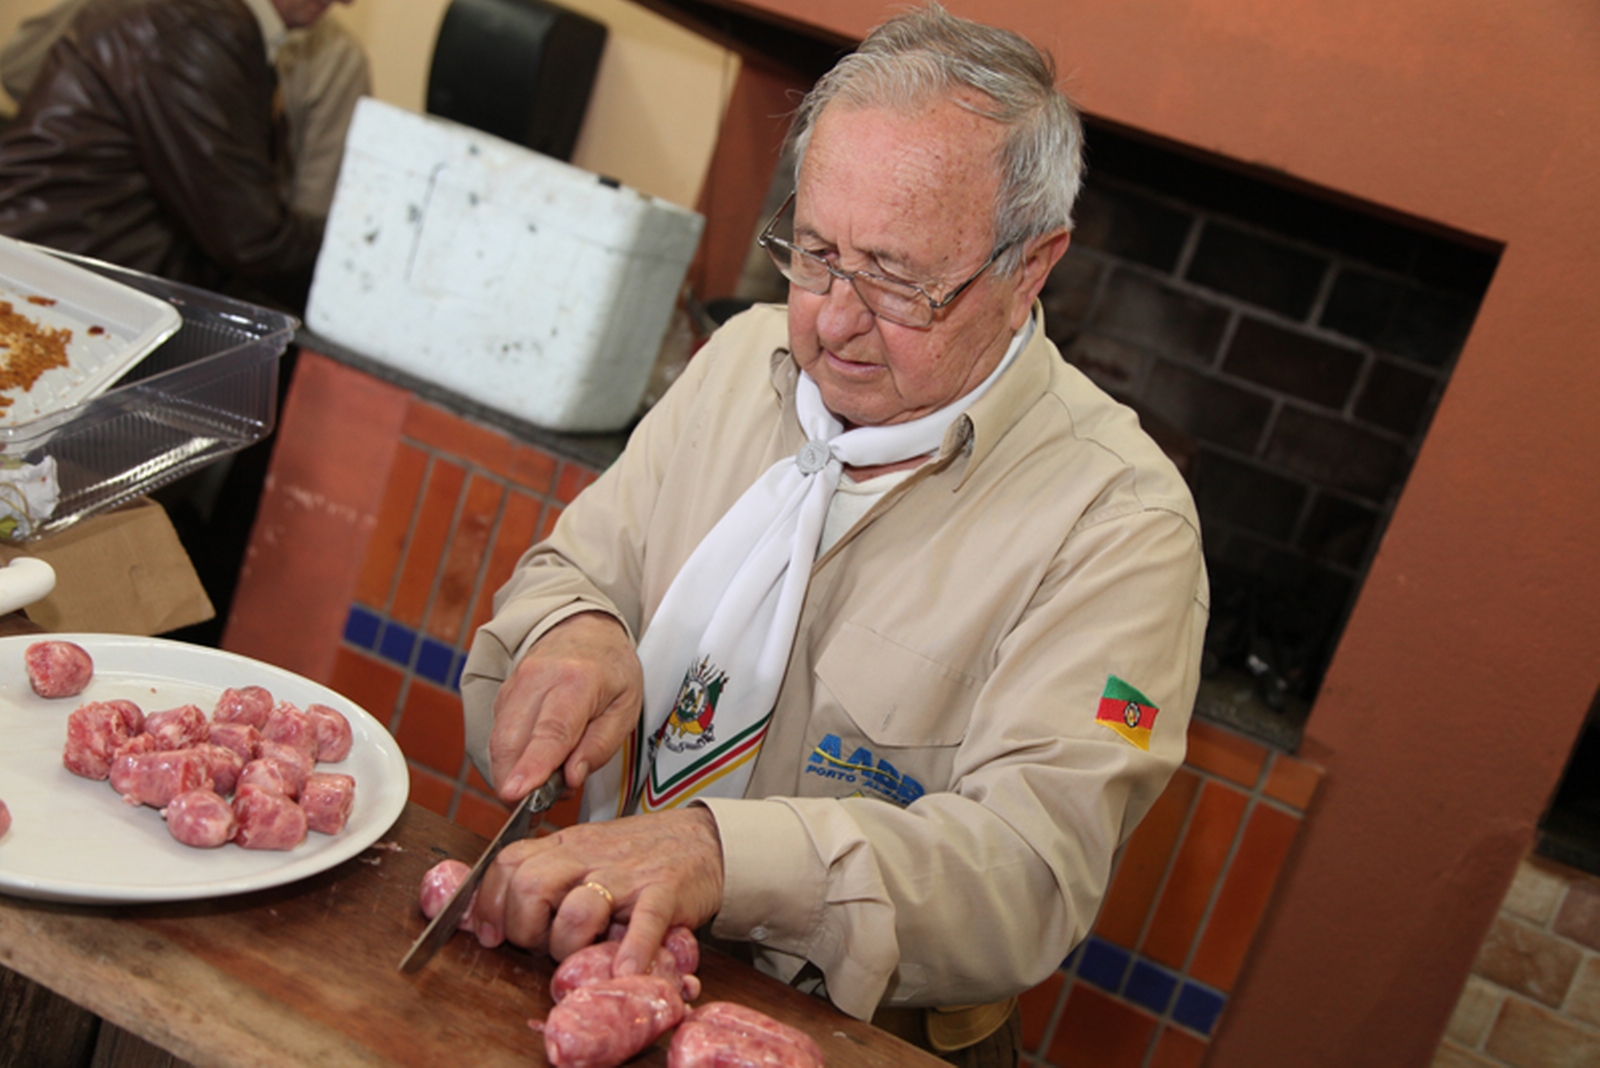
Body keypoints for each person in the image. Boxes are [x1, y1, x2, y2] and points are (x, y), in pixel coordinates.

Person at [459, 3, 1209, 1062]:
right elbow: (576, 571)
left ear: (1031, 267)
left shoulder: (1118, 523)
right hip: (599, 967)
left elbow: (1027, 875)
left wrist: (721, 854)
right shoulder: (741, 361)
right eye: (814, 253)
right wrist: (573, 630)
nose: (834, 320)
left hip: (854, 1036)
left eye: (898, 277)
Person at [0, 0, 359, 309]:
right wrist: (365, 267)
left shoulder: (196, 18)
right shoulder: (192, 24)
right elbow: (250, 238)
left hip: (61, 285)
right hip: (52, 301)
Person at [1, 0, 370, 218]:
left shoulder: (334, 57)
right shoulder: (175, 15)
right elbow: (17, 71)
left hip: (196, 268)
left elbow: (297, 222)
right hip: (84, 250)